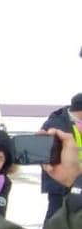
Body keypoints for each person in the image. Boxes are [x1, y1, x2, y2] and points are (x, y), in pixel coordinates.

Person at [40, 93, 82, 222]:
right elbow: (44, 155)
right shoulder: (55, 124)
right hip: (60, 184)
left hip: (77, 180)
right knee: (57, 217)